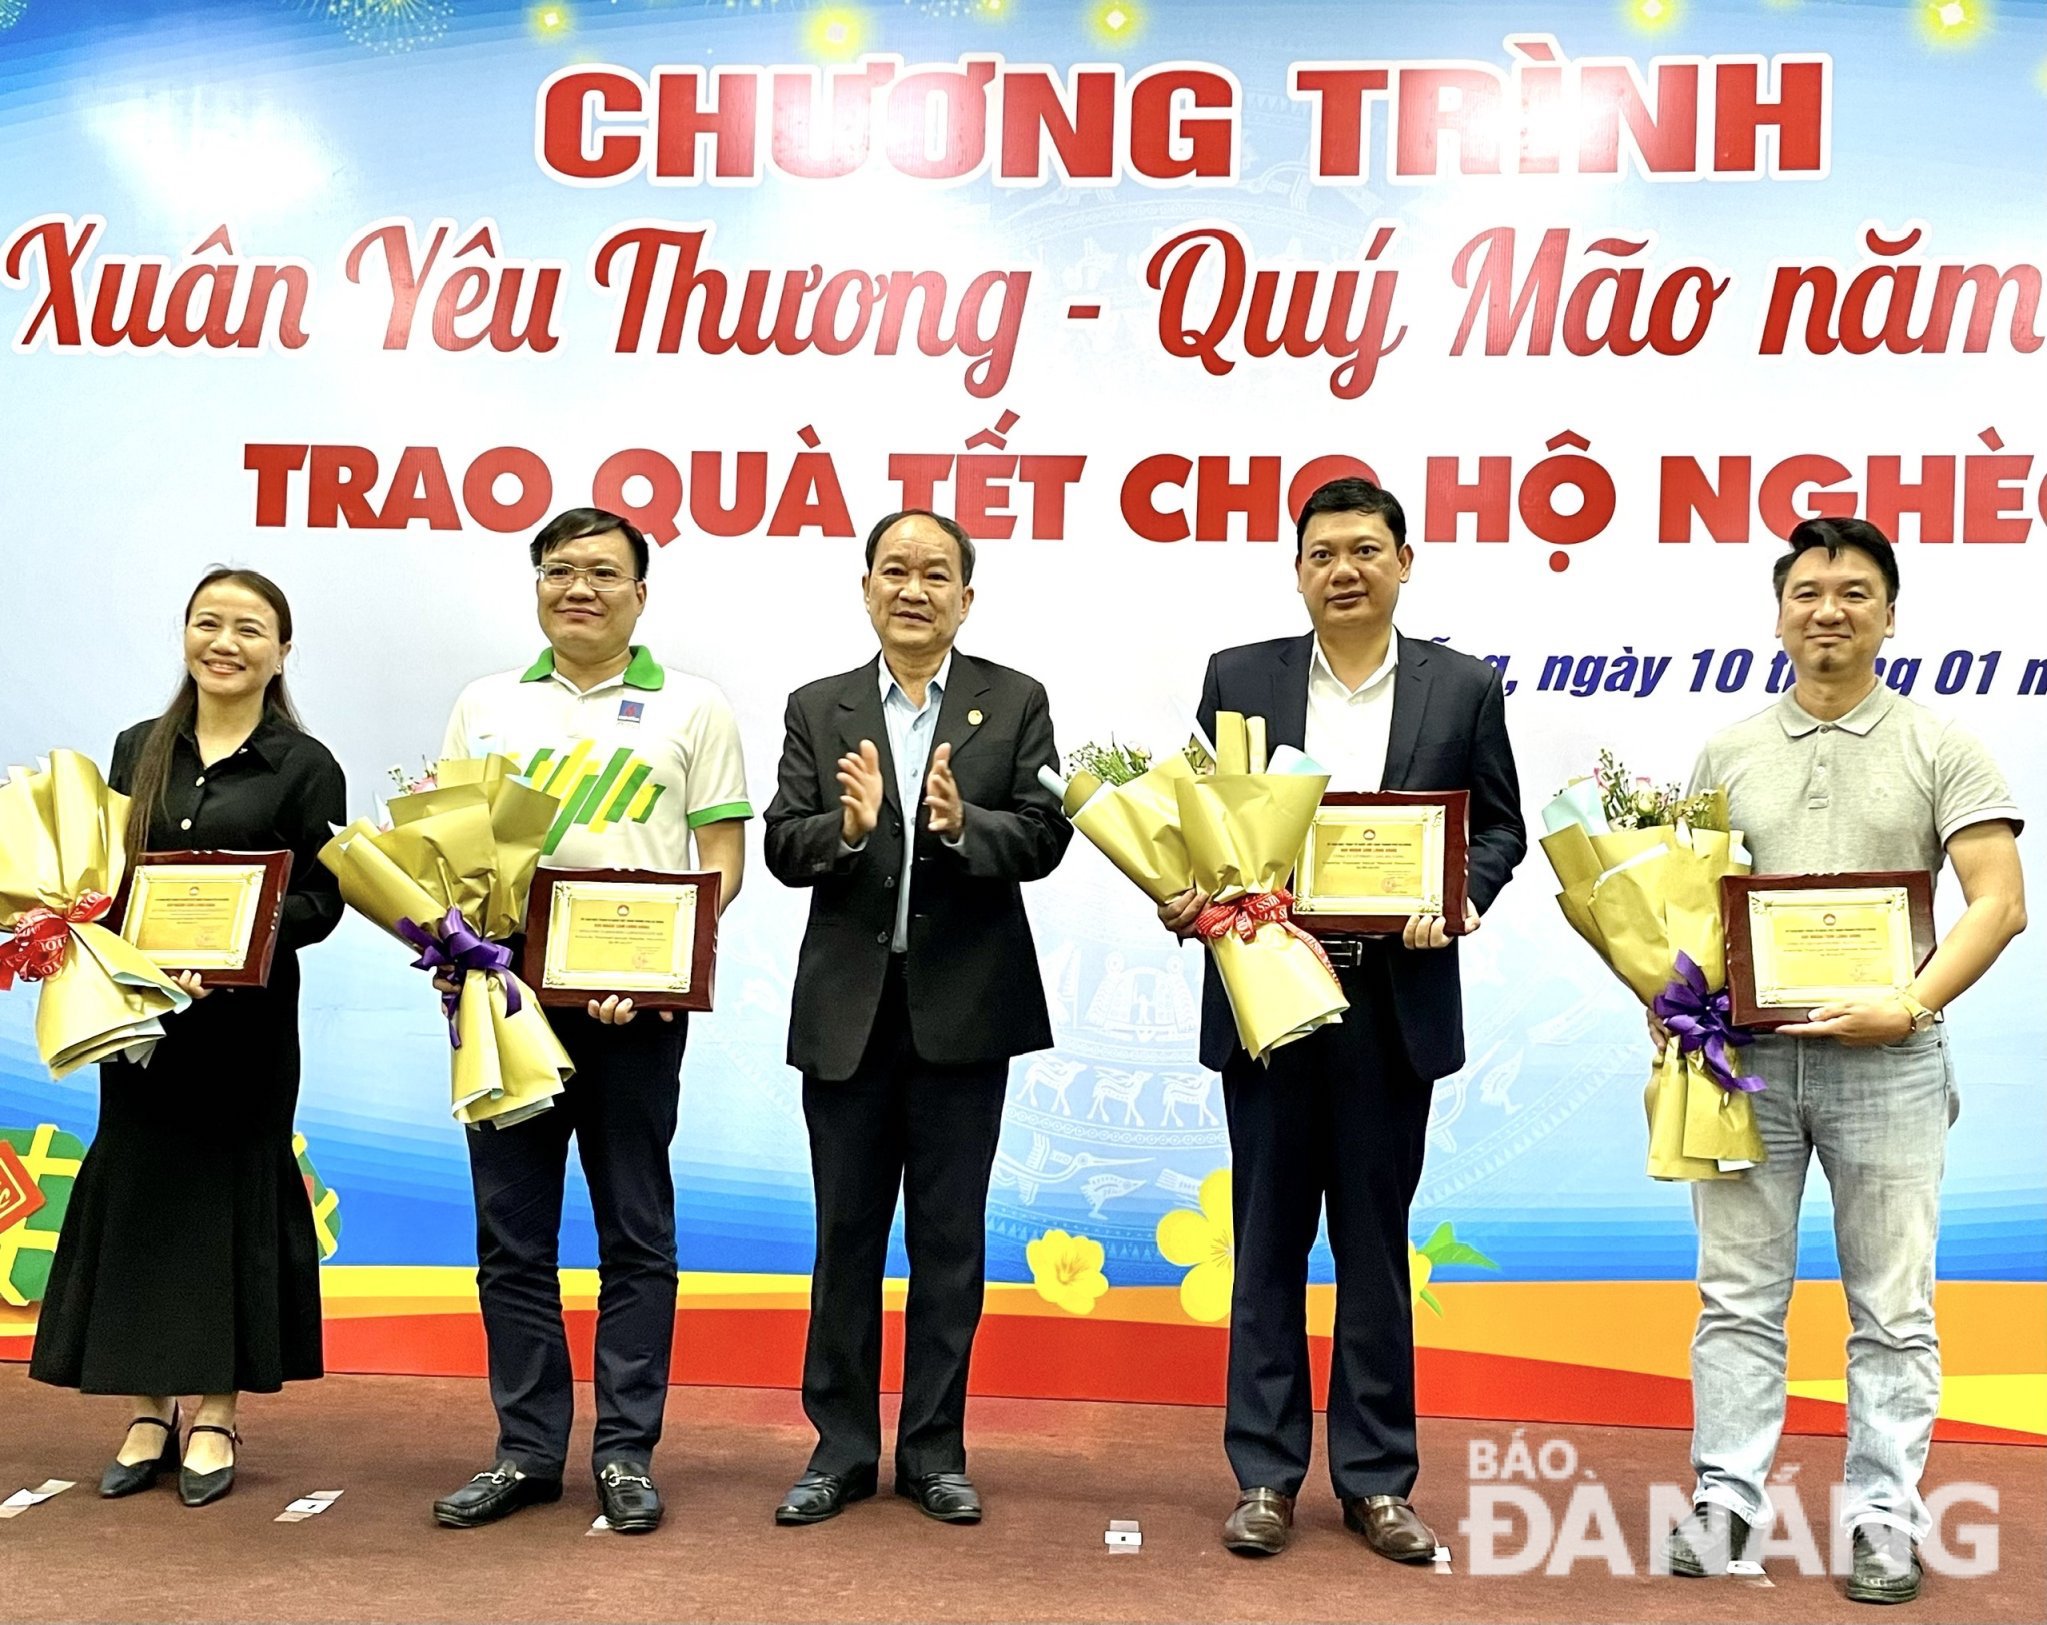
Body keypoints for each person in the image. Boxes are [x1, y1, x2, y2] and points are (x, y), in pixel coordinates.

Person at [1157, 476, 1525, 1560]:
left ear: (1404, 561)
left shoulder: (1461, 688)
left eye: (1366, 549)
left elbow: (1496, 829)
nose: (1344, 569)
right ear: (1299, 569)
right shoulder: (1241, 676)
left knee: (1373, 1242)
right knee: (1263, 1237)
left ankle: (1375, 1479)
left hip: (1389, 1001)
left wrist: (1458, 897)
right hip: (1268, 988)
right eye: (1322, 553)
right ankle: (1264, 1475)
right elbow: (1196, 821)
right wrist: (1186, 889)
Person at [1663, 517, 2025, 1605]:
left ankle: (1882, 1515)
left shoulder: (1941, 744)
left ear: (1889, 614)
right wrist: (1675, 997)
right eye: (1810, 590)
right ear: (1778, 613)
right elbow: (1683, 907)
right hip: (1752, 1068)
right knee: (1735, 1294)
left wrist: (1907, 1002)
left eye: (1855, 591)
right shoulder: (1724, 752)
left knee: (1894, 1304)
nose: (1830, 608)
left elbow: (1999, 904)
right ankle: (1726, 1496)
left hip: (1893, 1067)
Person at [430, 508, 750, 1535]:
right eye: (560, 570)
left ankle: (623, 1450)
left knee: (635, 1233)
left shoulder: (694, 707)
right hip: (506, 1000)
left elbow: (722, 864)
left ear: (640, 594)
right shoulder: (484, 704)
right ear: (535, 586)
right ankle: (525, 1449)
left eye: (604, 572)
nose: (581, 587)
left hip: (636, 1007)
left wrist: (664, 967)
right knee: (510, 1237)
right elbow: (448, 852)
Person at [763, 510, 1070, 1527]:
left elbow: (1044, 832)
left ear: (965, 598)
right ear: (864, 589)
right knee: (843, 1236)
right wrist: (843, 830)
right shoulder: (818, 704)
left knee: (948, 1242)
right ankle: (840, 1448)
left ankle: (935, 1448)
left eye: (935, 573)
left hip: (963, 1014)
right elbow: (779, 841)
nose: (912, 588)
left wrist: (961, 824)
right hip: (850, 1015)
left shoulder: (1013, 699)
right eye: (893, 569)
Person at [30, 567, 346, 1509]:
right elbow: (96, 873)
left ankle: (215, 1409)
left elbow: (328, 898)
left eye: (249, 628)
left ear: (281, 650)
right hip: (142, 1022)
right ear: (184, 637)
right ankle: (144, 1407)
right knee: (143, 1195)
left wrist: (249, 929)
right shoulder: (137, 750)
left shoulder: (303, 763)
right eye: (208, 622)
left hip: (245, 1029)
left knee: (227, 1198)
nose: (225, 641)